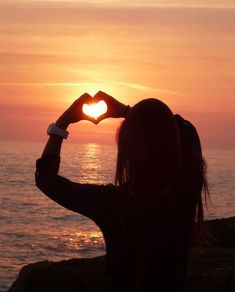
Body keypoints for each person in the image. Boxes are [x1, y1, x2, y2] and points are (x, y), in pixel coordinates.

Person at [35, 91, 209, 292]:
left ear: (126, 152)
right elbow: (185, 128)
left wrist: (64, 121)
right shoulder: (184, 194)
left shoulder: (111, 204)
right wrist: (126, 111)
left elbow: (46, 180)